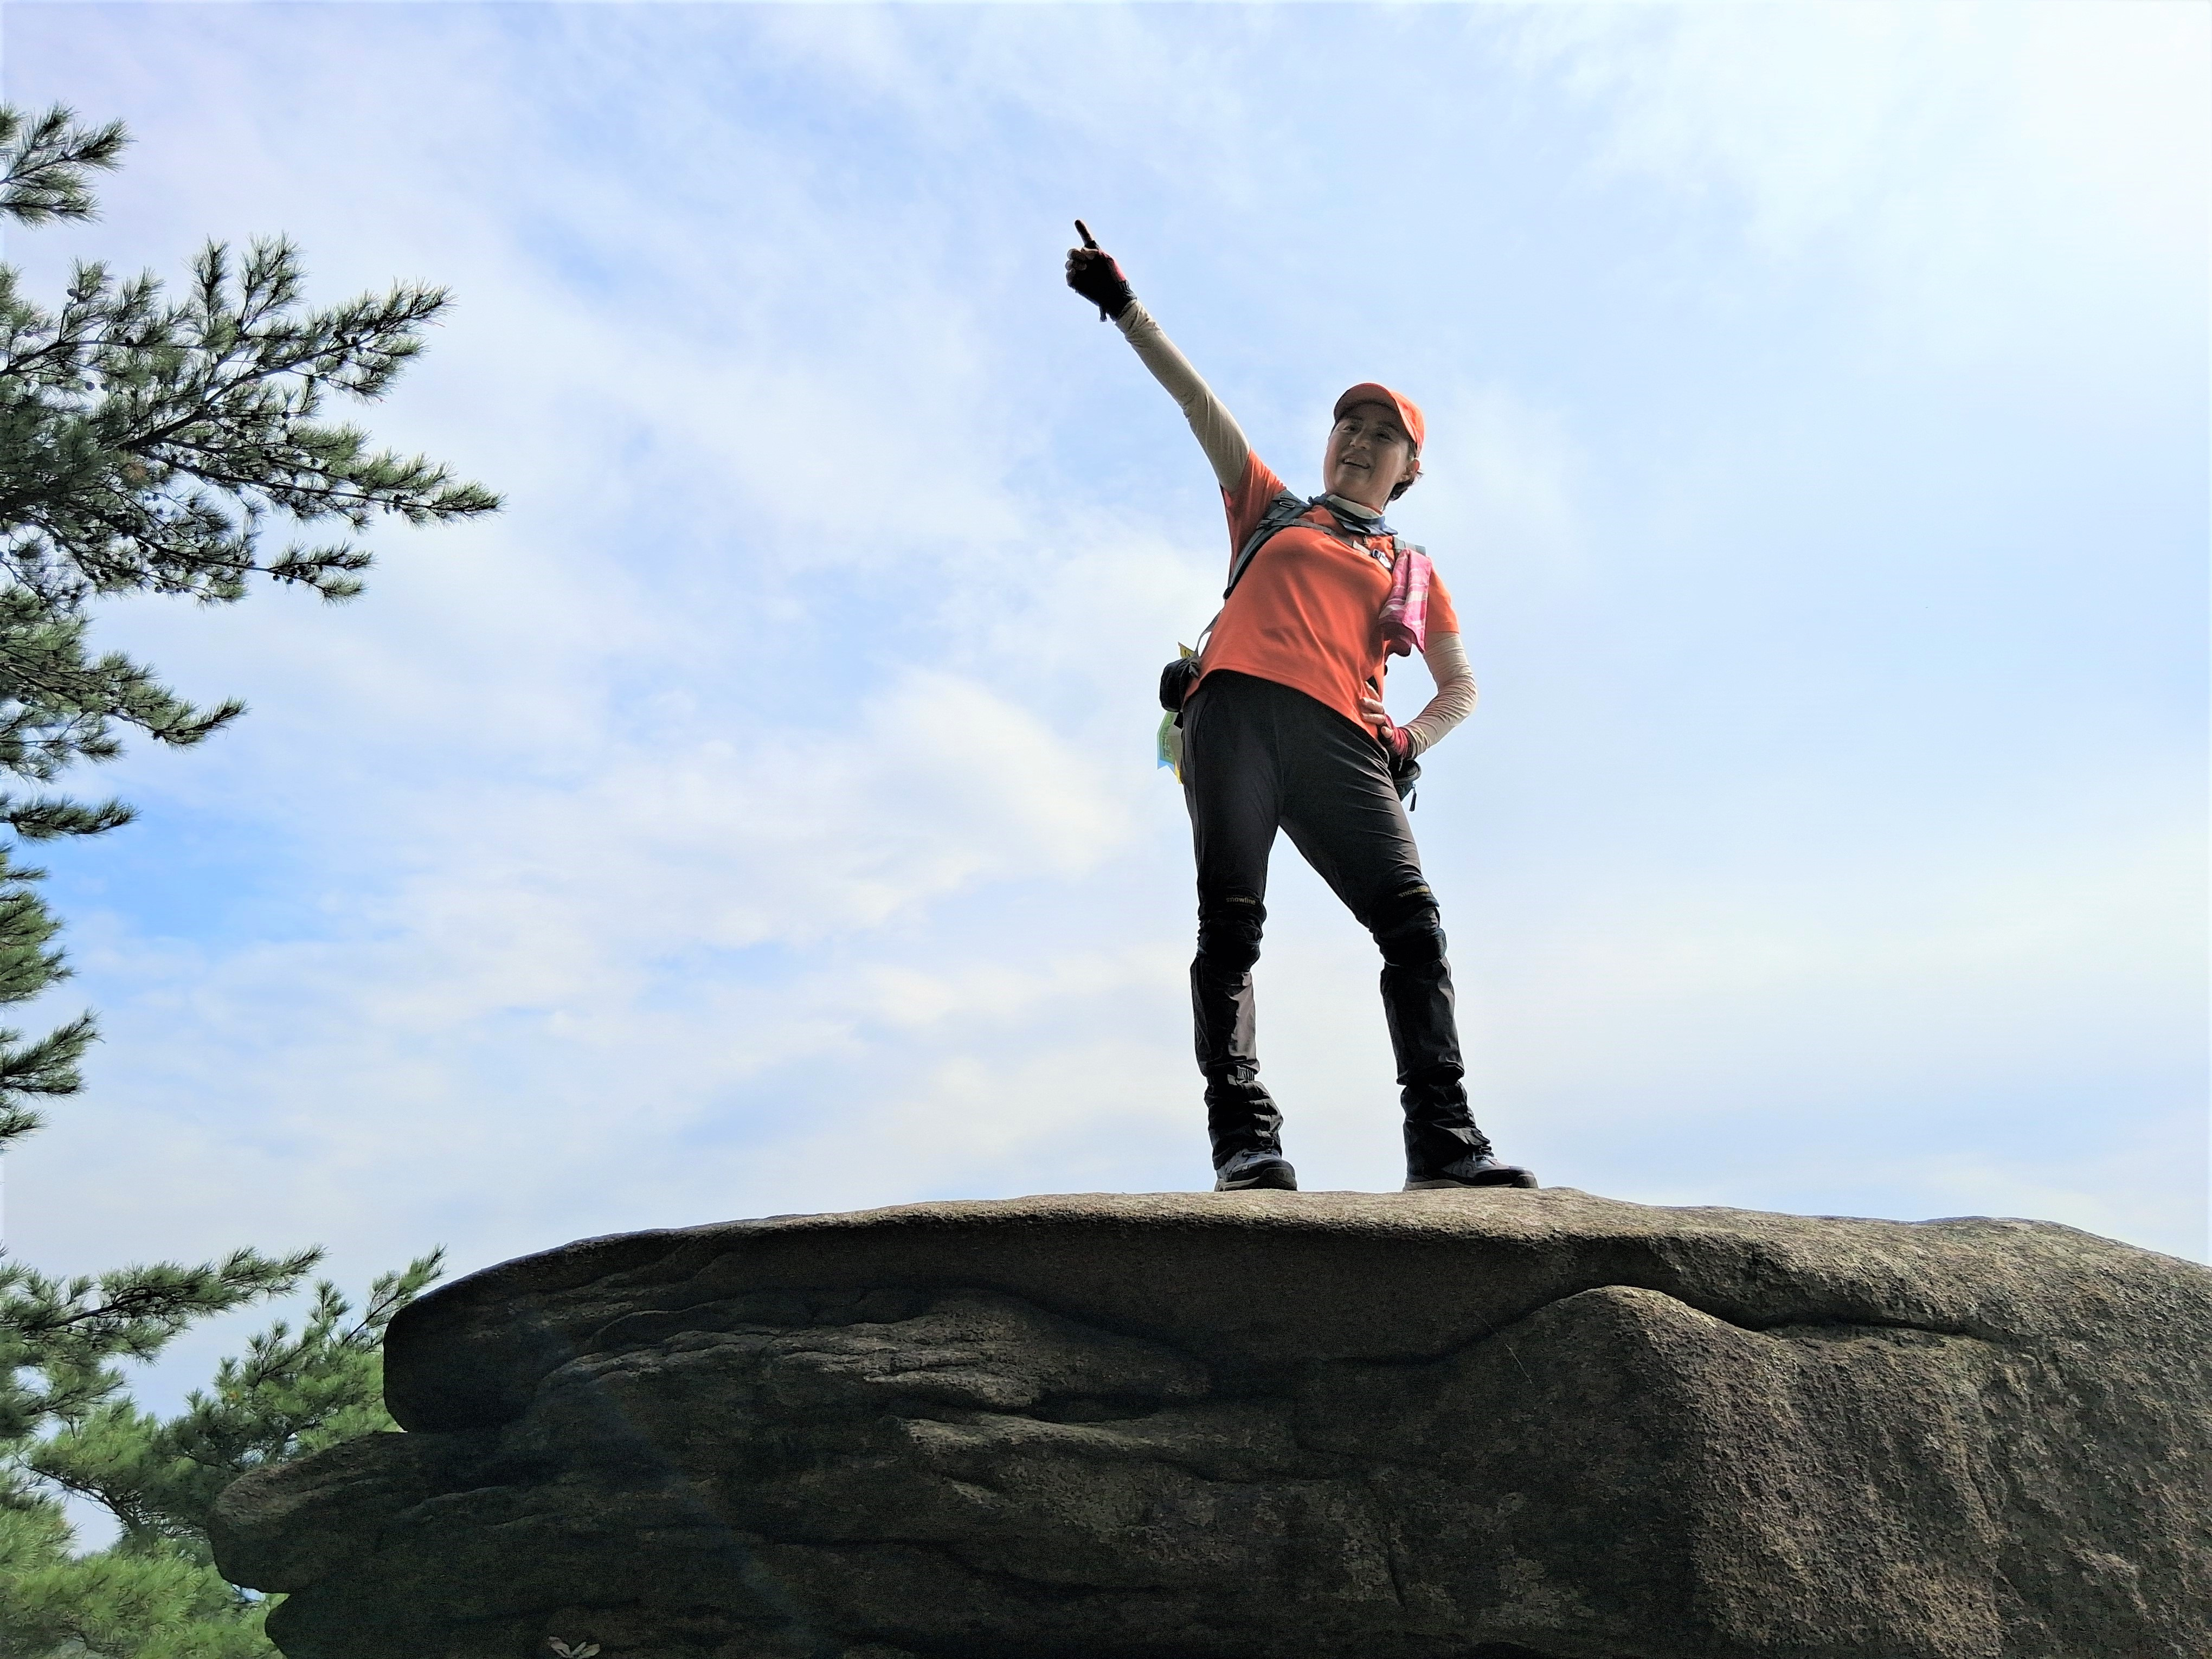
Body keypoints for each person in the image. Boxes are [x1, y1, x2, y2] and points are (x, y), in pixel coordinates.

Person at [1066, 226, 1536, 1195]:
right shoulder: (1272, 509)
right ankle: (1244, 1143)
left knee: (1414, 930)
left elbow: (1461, 685)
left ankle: (1444, 1143)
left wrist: (1412, 737)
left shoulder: (1411, 570)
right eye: (1348, 427)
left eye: (1383, 435)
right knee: (1230, 931)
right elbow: (1197, 401)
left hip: (1344, 746)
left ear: (1410, 468)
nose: (1359, 442)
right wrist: (1124, 307)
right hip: (1233, 720)